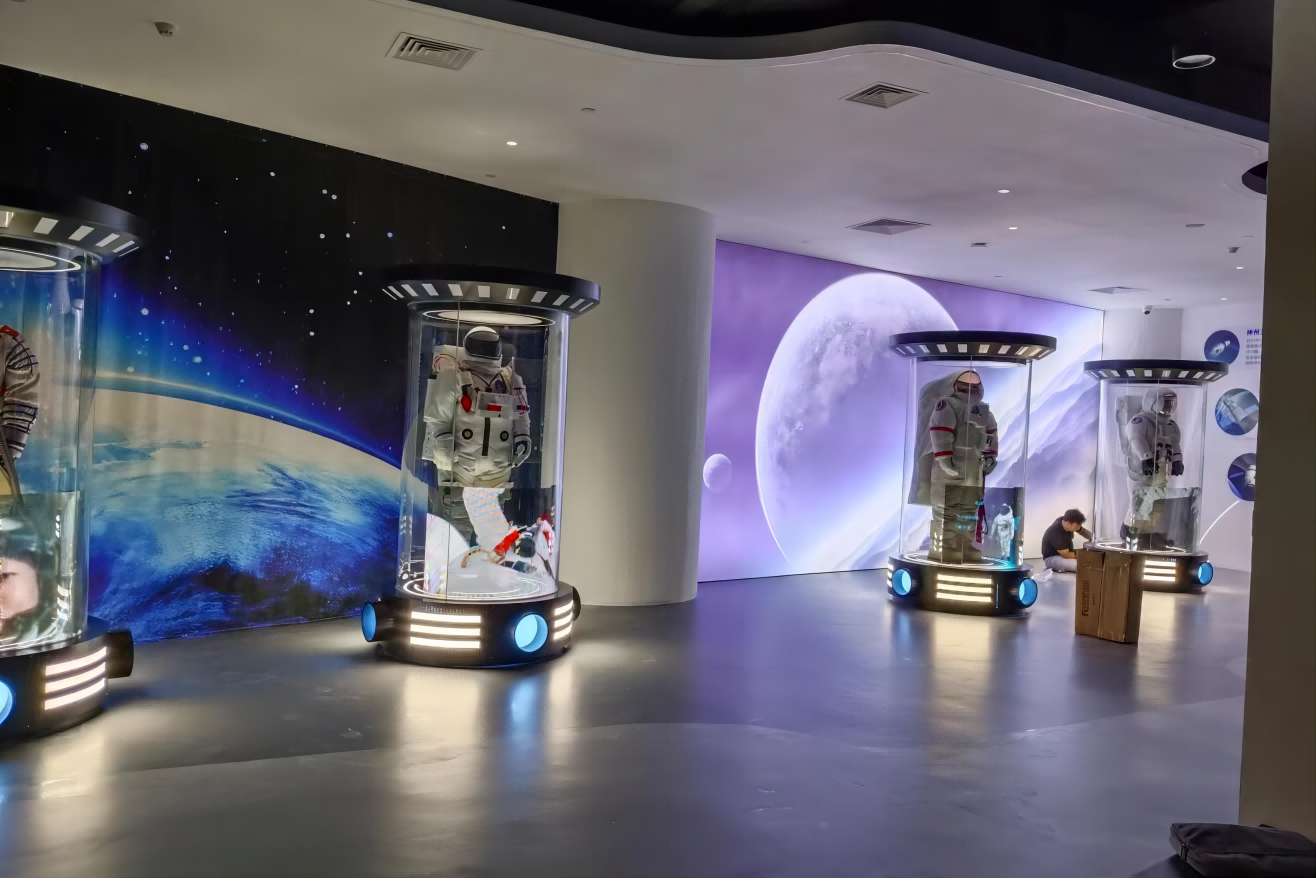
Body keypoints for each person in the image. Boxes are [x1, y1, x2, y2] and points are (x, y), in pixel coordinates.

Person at [1041, 509, 1091, 574]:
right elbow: (1066, 555)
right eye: (1077, 526)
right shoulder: (1056, 532)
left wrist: (1094, 539)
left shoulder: (1065, 520)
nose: (1079, 527)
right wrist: (1084, 554)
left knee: (1086, 562)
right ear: (1068, 523)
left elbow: (1082, 531)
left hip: (1064, 554)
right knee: (1081, 565)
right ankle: (1054, 566)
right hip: (1052, 558)